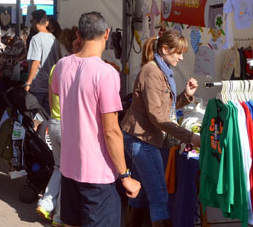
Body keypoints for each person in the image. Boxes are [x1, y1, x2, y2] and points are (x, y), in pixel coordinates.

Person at [51, 12, 140, 227]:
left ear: (79, 35)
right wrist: (125, 174)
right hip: (98, 174)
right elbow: (111, 131)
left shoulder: (62, 66)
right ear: (107, 34)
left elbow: (55, 97)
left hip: (70, 168)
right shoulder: (106, 73)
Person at [121, 31, 200, 227]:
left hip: (141, 138)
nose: (181, 58)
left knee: (142, 194)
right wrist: (190, 137)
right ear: (165, 50)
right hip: (142, 140)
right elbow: (158, 117)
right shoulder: (153, 72)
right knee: (159, 197)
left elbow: (163, 108)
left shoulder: (159, 70)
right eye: (178, 53)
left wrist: (185, 95)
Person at [36, 26, 79, 227]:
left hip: (54, 122)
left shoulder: (57, 66)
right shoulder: (79, 67)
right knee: (68, 172)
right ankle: (60, 215)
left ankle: (46, 203)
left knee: (60, 168)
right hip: (69, 125)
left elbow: (50, 93)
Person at [25, 10, 61, 113]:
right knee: (47, 116)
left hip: (37, 86)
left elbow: (35, 63)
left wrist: (28, 83)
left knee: (36, 117)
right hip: (50, 86)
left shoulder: (36, 39)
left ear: (35, 22)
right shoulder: (55, 39)